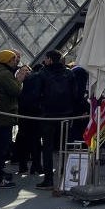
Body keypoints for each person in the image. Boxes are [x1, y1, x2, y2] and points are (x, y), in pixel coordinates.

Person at [36, 50, 77, 190]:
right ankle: (66, 175)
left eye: (46, 58)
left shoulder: (42, 73)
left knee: (47, 148)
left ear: (49, 59)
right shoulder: (69, 73)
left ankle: (48, 179)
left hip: (47, 115)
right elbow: (75, 94)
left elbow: (36, 94)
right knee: (65, 146)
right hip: (66, 114)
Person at [0, 50, 28, 189]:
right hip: (4, 115)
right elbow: (15, 91)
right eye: (13, 59)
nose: (15, 61)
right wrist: (20, 80)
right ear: (7, 61)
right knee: (1, 148)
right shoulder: (5, 74)